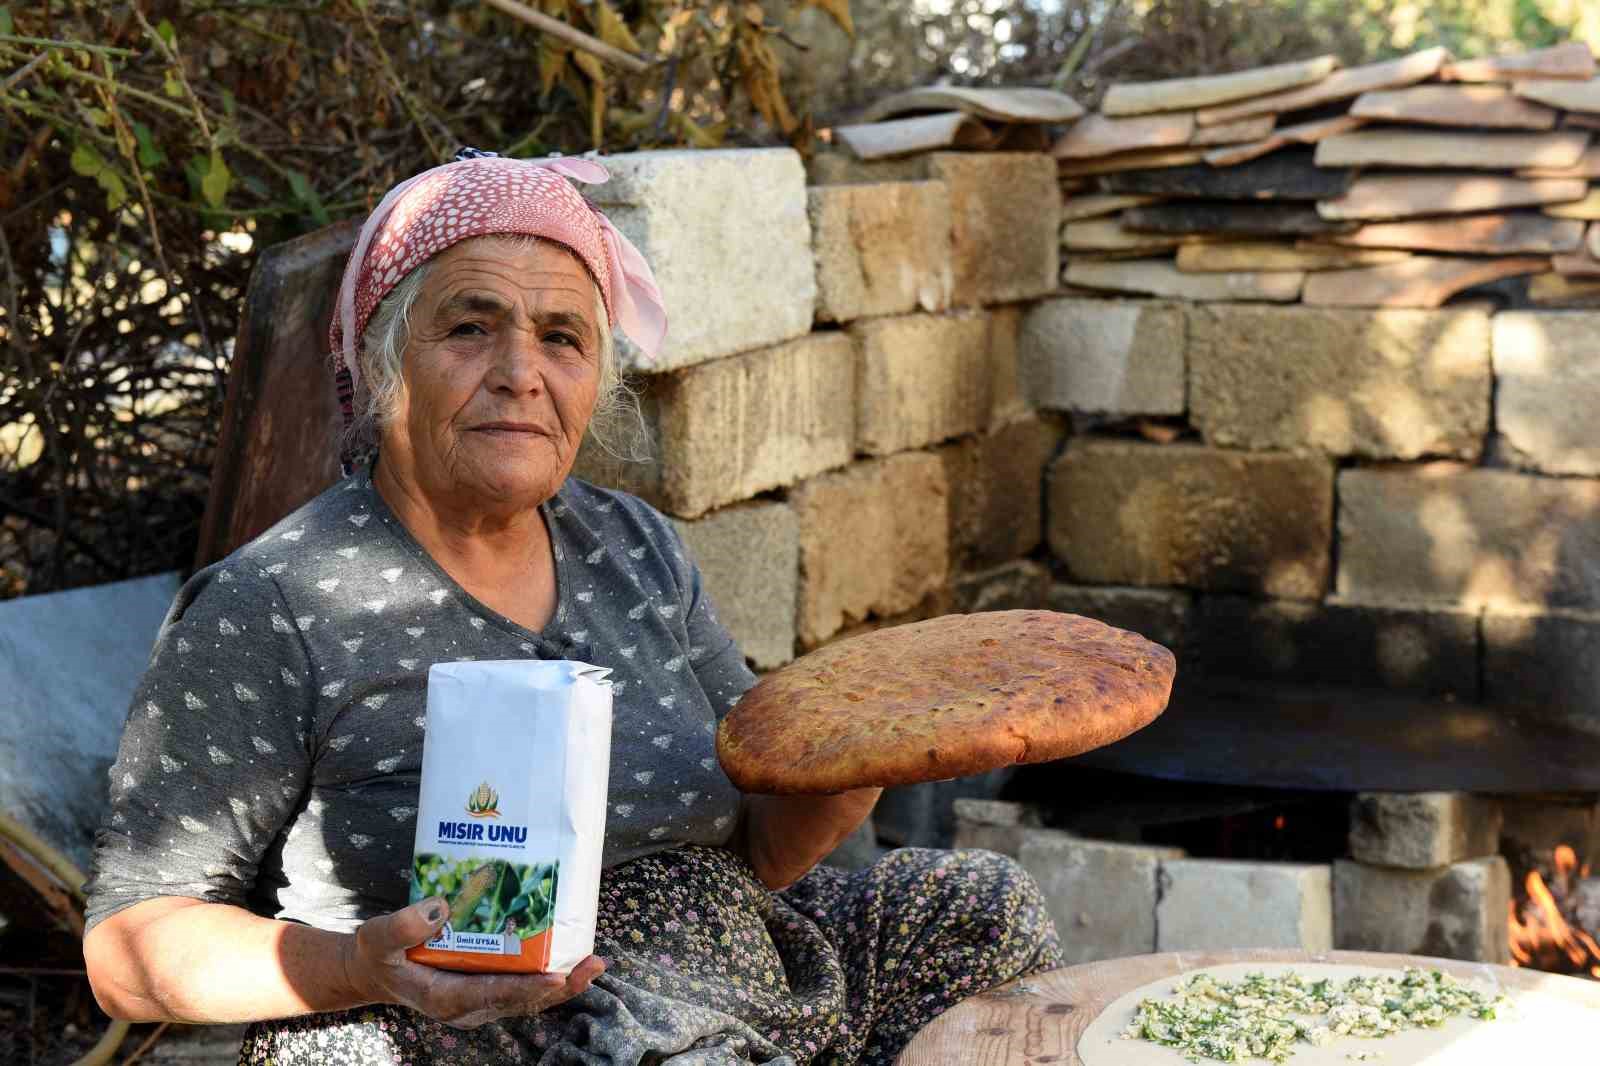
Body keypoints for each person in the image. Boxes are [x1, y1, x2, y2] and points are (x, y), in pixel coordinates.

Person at [81, 149, 1063, 1065]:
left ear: (596, 381)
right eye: (470, 327)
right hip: (458, 1021)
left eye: (562, 338)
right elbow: (128, 949)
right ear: (386, 366)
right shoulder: (277, 601)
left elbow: (764, 844)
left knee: (980, 906)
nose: (521, 371)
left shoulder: (633, 546)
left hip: (727, 970)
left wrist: (856, 766)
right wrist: (356, 964)